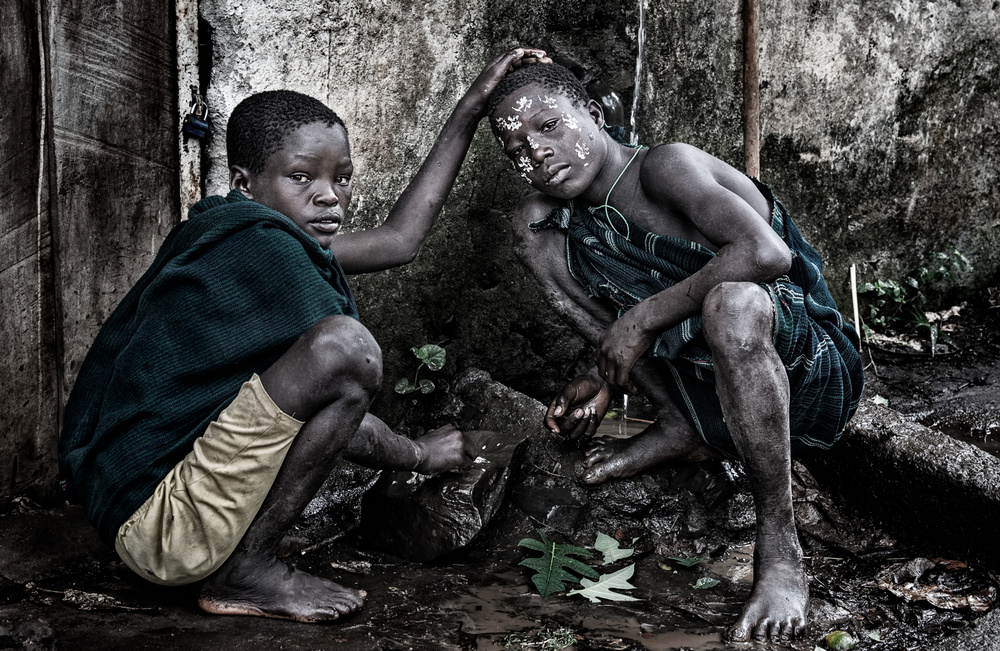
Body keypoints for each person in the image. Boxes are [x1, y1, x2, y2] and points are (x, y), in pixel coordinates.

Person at [58, 47, 550, 623]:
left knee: (330, 360)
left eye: (341, 179)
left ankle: (236, 562)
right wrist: (419, 454)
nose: (329, 196)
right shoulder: (261, 249)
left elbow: (398, 241)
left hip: (137, 520)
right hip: (164, 529)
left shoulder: (246, 231)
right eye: (301, 177)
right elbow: (347, 409)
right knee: (346, 350)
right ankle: (248, 572)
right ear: (245, 181)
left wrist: (468, 110)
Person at [486, 60, 864, 642]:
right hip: (707, 392)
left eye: (549, 126)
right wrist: (605, 375)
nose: (534, 151)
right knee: (528, 228)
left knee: (731, 304)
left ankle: (779, 545)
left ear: (596, 112)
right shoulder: (559, 220)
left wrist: (638, 323)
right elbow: (621, 304)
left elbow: (766, 254)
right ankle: (679, 421)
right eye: (514, 144)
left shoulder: (665, 166)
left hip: (802, 373)